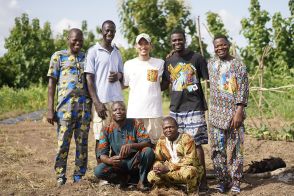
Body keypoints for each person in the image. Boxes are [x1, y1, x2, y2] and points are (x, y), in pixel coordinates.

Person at [161, 29, 209, 192]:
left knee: (197, 145)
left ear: (185, 39)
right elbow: (164, 84)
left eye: (179, 40)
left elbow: (209, 81)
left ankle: (203, 182)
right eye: (174, 41)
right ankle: (185, 178)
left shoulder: (197, 58)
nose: (177, 43)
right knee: (178, 145)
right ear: (171, 42)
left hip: (195, 107)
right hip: (176, 109)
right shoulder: (168, 61)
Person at [47, 28, 92, 186]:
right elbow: (51, 83)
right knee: (62, 144)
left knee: (82, 144)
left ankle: (79, 176)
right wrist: (49, 108)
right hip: (64, 109)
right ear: (68, 39)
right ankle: (60, 175)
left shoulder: (87, 57)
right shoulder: (58, 56)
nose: (78, 43)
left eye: (81, 40)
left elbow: (92, 82)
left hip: (84, 109)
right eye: (75, 40)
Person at [208, 35, 249, 194]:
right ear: (214, 48)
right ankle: (222, 180)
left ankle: (236, 180)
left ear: (228, 45)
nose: (220, 48)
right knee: (217, 150)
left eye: (223, 45)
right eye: (217, 46)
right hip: (216, 115)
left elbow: (244, 89)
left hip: (234, 116)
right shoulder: (211, 63)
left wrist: (239, 110)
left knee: (236, 149)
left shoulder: (238, 65)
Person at [85, 20, 124, 163]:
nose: (109, 33)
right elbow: (89, 78)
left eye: (112, 31)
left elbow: (122, 75)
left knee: (116, 137)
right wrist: (96, 102)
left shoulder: (117, 52)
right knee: (100, 138)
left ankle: (115, 173)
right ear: (102, 31)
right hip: (101, 102)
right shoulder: (93, 51)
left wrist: (118, 76)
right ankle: (102, 172)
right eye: (107, 30)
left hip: (117, 102)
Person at [94, 101, 155, 191]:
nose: (119, 111)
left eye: (122, 109)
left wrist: (131, 145)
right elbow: (102, 154)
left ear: (126, 112)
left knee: (148, 151)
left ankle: (142, 181)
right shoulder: (106, 129)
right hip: (119, 162)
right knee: (98, 171)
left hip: (135, 160)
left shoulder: (136, 122)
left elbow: (147, 142)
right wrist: (109, 160)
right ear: (111, 114)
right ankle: (123, 180)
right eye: (115, 110)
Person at [123, 33, 164, 145]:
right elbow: (124, 84)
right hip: (135, 113)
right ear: (136, 47)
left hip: (154, 112)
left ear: (151, 46)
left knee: (155, 144)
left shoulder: (160, 63)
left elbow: (166, 81)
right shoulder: (128, 64)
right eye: (140, 44)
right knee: (134, 145)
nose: (143, 46)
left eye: (146, 43)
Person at [147, 116, 203, 194]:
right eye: (165, 128)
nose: (168, 130)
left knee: (189, 172)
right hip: (170, 172)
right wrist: (158, 166)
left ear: (177, 127)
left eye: (171, 127)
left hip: (185, 169)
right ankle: (167, 190)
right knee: (151, 175)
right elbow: (158, 158)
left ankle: (192, 192)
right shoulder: (161, 140)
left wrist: (169, 167)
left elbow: (190, 160)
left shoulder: (187, 138)